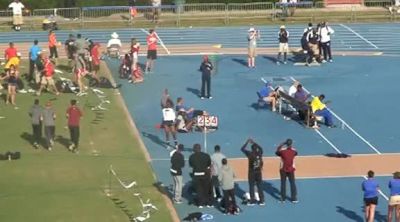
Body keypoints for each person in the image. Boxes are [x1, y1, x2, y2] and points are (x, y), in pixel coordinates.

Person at [241, 138, 265, 206]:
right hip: (259, 172)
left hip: (252, 172)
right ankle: (262, 200)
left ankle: (252, 200)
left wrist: (247, 142)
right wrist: (254, 142)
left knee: (251, 186)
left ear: (251, 149)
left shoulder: (250, 154)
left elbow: (242, 149)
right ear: (256, 148)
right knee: (259, 186)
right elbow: (261, 148)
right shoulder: (260, 153)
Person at [189, 143, 213, 208]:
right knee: (206, 189)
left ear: (194, 149)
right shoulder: (206, 155)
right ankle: (208, 203)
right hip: (205, 174)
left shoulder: (191, 156)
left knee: (199, 190)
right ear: (200, 148)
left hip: (196, 175)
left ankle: (200, 204)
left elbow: (191, 165)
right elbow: (209, 164)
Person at [275, 139, 298, 203]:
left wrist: (282, 144)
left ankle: (283, 198)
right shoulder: (294, 151)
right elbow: (296, 153)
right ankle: (294, 199)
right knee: (292, 183)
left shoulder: (282, 151)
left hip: (283, 169)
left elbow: (277, 151)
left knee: (283, 183)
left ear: (286, 144)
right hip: (291, 169)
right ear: (291, 144)